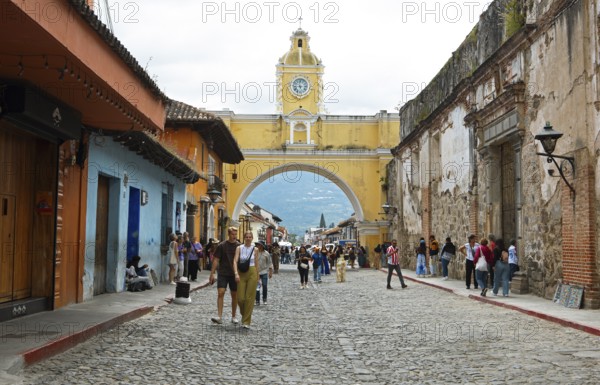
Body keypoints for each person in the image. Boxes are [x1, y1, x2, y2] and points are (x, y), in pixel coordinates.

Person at [209, 227, 241, 325]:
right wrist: (212, 273)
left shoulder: (239, 246)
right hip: (223, 273)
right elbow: (216, 260)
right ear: (228, 234)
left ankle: (234, 316)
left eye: (236, 234)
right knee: (220, 293)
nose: (234, 236)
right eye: (232, 234)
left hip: (234, 274)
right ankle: (219, 316)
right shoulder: (222, 246)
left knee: (234, 295)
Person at [233, 231, 259, 329]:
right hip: (241, 272)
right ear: (244, 238)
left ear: (252, 238)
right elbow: (235, 261)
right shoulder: (239, 248)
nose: (248, 238)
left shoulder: (255, 249)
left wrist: (258, 276)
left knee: (249, 298)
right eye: (246, 237)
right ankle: (244, 314)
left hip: (252, 272)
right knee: (240, 298)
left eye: (250, 237)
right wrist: (236, 273)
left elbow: (256, 263)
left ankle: (246, 321)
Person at [254, 241, 273, 306]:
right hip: (256, 272)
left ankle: (264, 299)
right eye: (257, 245)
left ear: (262, 246)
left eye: (259, 245)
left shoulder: (266, 253)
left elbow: (269, 263)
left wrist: (270, 272)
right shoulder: (254, 252)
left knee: (264, 285)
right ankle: (257, 300)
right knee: (257, 287)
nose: (258, 246)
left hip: (264, 271)